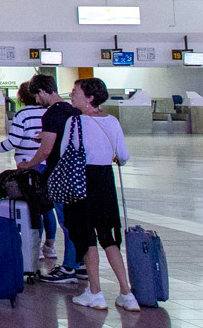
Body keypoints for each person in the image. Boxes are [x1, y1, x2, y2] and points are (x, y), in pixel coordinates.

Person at [27, 77, 136, 311]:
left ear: (89, 98)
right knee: (108, 237)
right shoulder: (113, 121)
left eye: (76, 92)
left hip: (81, 182)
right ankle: (127, 293)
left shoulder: (75, 122)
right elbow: (124, 155)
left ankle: (95, 292)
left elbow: (65, 151)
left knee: (87, 239)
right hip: (105, 181)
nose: (72, 95)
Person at [0, 75, 69, 276]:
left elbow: (12, 142)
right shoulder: (52, 112)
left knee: (33, 207)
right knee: (49, 208)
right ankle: (50, 246)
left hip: (31, 166)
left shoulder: (23, 115)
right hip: (51, 166)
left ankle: (34, 246)